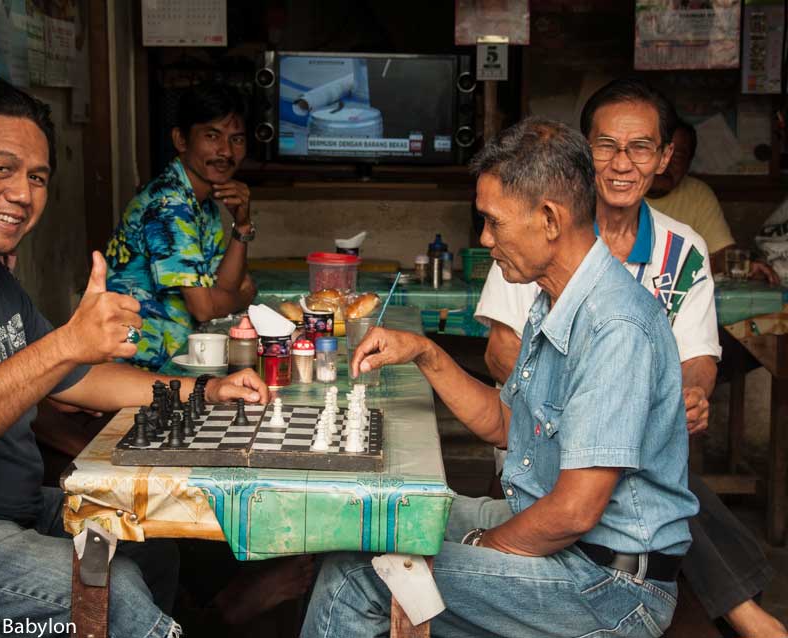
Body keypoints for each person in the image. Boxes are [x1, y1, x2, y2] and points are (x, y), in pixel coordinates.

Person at [0, 74, 269, 637]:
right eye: (1, 170)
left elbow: (79, 376)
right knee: (109, 592)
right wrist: (67, 341)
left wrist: (207, 391)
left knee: (152, 546)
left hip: (15, 508)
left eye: (37, 177)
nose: (22, 195)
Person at [301, 117, 698, 637]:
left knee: (362, 576)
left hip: (607, 586)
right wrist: (426, 352)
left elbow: (576, 511)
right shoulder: (555, 298)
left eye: (493, 222)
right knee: (376, 521)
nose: (485, 239)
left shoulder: (614, 327)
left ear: (550, 219)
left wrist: (474, 552)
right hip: (568, 547)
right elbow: (511, 424)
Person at [476, 79, 786, 638]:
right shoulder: (545, 229)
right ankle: (740, 607)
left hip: (625, 463)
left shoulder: (682, 248)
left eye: (640, 147)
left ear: (665, 158)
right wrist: (590, 397)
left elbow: (698, 358)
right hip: (543, 447)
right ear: (581, 152)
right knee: (637, 459)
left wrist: (679, 393)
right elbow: (502, 352)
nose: (622, 163)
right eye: (605, 146)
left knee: (642, 453)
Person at [105, 82, 257, 369]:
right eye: (212, 136)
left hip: (175, 361)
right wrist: (243, 297)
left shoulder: (203, 201)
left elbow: (224, 286)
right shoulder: (169, 204)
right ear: (181, 140)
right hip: (139, 366)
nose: (226, 151)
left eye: (236, 139)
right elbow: (204, 308)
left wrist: (243, 224)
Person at [646, 120, 779, 284]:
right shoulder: (621, 193)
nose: (666, 164)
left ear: (688, 164)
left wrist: (747, 267)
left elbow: (721, 254)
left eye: (678, 157)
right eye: (661, 153)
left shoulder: (697, 194)